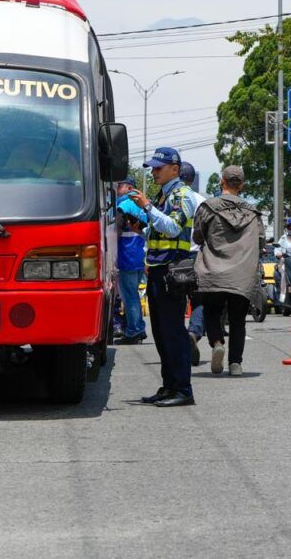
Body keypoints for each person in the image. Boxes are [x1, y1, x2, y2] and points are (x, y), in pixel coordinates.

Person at [127, 147, 195, 407]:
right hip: (157, 269)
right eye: (153, 168)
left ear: (175, 169)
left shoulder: (182, 195)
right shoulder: (163, 195)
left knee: (174, 331)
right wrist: (140, 226)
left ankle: (183, 389)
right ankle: (169, 385)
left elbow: (173, 227)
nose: (154, 172)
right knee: (160, 331)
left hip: (172, 271)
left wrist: (147, 207)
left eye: (158, 168)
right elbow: (159, 234)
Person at [192, 166, 264, 376]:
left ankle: (216, 343)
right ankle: (235, 364)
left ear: (222, 181)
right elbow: (260, 241)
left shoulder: (207, 207)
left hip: (213, 271)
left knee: (211, 311)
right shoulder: (253, 212)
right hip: (241, 275)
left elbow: (197, 237)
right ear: (241, 185)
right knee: (238, 319)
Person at [113, 178, 148, 344]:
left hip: (126, 256)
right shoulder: (142, 204)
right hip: (140, 255)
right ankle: (135, 327)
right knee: (133, 293)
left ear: (129, 188)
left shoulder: (123, 205)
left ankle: (135, 330)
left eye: (120, 185)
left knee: (129, 295)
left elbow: (116, 233)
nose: (117, 188)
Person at [179, 161, 205, 366]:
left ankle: (179, 343)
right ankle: (194, 333)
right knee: (199, 301)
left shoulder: (171, 198)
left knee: (175, 302)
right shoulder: (202, 201)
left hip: (175, 258)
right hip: (197, 258)